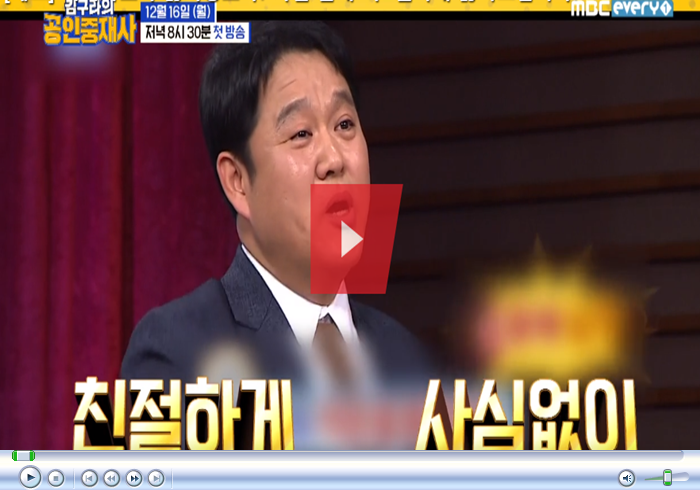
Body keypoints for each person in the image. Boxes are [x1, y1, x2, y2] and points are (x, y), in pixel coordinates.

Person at [121, 21, 434, 402]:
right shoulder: (178, 352)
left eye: (344, 124)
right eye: (301, 134)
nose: (334, 159)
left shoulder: (406, 359)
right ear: (238, 181)